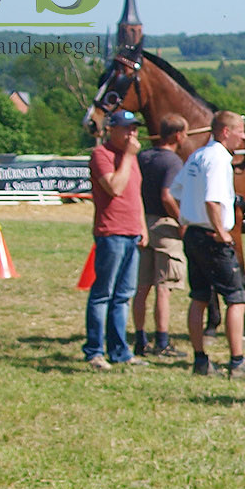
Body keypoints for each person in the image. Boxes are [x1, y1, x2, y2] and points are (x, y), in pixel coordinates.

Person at [173, 110, 245, 378]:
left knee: (199, 296)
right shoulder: (218, 160)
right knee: (236, 299)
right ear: (225, 131)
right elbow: (213, 200)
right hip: (212, 237)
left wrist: (187, 217)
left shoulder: (198, 155)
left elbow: (175, 191)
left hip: (193, 234)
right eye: (240, 131)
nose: (243, 136)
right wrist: (221, 232)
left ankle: (201, 360)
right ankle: (237, 362)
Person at [84, 108, 147, 370]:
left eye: (134, 129)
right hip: (111, 232)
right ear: (112, 130)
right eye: (127, 129)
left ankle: (120, 351)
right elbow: (115, 187)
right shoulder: (102, 155)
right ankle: (95, 350)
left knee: (123, 295)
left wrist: (142, 226)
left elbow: (136, 194)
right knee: (103, 294)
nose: (132, 134)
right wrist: (129, 158)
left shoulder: (130, 158)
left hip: (132, 232)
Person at [132, 113, 189, 358]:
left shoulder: (143, 156)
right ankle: (162, 340)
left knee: (142, 286)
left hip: (141, 223)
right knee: (163, 287)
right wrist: (181, 220)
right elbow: (167, 196)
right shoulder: (173, 161)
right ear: (177, 135)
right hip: (164, 227)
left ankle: (139, 339)